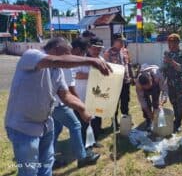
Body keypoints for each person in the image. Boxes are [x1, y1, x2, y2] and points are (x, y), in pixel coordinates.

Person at [5, 37, 111, 176]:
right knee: (29, 171)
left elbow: (66, 96)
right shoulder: (32, 55)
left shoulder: (57, 71)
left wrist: (84, 109)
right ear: (55, 50)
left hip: (45, 126)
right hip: (23, 127)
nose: (70, 57)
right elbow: (54, 60)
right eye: (67, 54)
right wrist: (91, 60)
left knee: (46, 167)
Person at [52, 38, 99, 169]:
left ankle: (49, 159)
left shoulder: (62, 61)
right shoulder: (67, 64)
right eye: (84, 52)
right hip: (59, 104)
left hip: (50, 103)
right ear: (78, 50)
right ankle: (82, 157)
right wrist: (82, 108)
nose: (84, 56)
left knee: (55, 131)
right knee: (76, 125)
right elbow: (70, 91)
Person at [72, 37, 103, 147]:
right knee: (84, 122)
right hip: (82, 96)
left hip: (97, 96)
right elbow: (76, 74)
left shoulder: (101, 59)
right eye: (95, 48)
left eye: (99, 49)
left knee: (97, 120)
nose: (97, 51)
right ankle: (85, 144)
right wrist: (94, 76)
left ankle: (94, 140)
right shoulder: (81, 59)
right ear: (89, 48)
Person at [103, 33, 134, 128]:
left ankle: (125, 120)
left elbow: (128, 64)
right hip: (114, 83)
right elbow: (106, 68)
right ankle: (114, 122)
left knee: (125, 101)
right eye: (120, 41)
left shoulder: (125, 51)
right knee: (114, 103)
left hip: (126, 81)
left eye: (123, 41)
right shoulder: (108, 52)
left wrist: (132, 77)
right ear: (114, 41)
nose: (122, 43)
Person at [160, 33, 182, 133]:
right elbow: (164, 67)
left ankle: (179, 123)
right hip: (170, 82)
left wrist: (171, 61)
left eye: (172, 42)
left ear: (177, 43)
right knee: (174, 102)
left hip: (180, 82)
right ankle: (176, 119)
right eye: (169, 42)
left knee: (180, 103)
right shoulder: (167, 52)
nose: (170, 44)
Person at [136, 64, 168, 131]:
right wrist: (149, 113)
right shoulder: (138, 84)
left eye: (149, 85)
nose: (148, 88)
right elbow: (142, 100)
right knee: (146, 105)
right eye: (146, 87)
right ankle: (148, 121)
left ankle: (157, 119)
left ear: (150, 79)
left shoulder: (158, 75)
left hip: (156, 87)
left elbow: (164, 90)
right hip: (144, 91)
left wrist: (161, 102)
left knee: (156, 103)